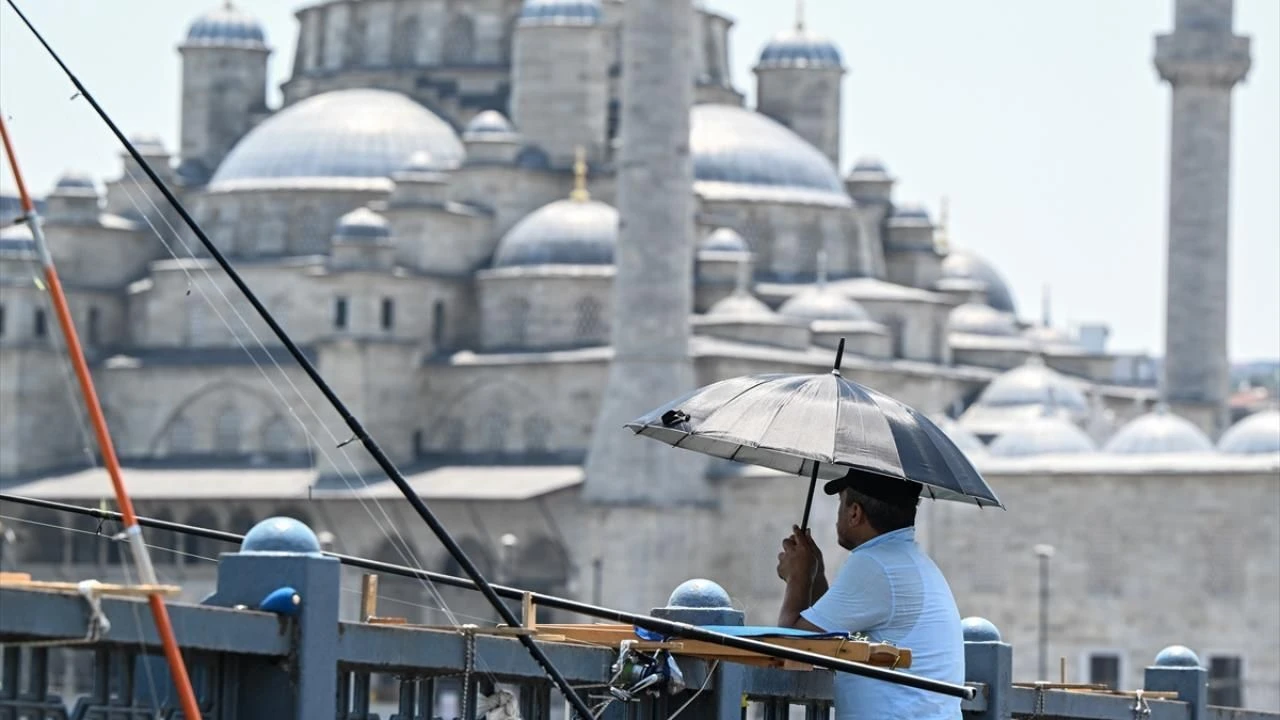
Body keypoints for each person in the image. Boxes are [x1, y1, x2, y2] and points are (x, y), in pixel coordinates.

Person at [775, 468, 964, 719]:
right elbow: (830, 635)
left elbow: (792, 645)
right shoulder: (907, 559)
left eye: (841, 503)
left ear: (855, 513)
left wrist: (797, 577)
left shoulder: (876, 565)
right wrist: (815, 573)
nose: (838, 514)